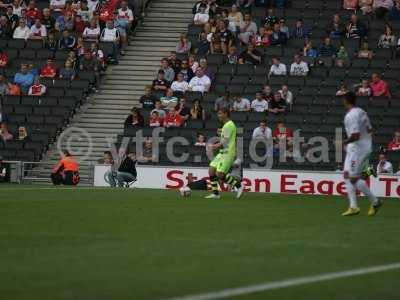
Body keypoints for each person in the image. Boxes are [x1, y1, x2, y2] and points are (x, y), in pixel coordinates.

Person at [341, 92, 381, 217]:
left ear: (346, 101)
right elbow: (370, 130)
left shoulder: (351, 115)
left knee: (353, 179)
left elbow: (355, 136)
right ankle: (353, 206)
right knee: (347, 174)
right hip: (358, 147)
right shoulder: (362, 111)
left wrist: (343, 142)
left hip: (358, 150)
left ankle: (375, 202)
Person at [206, 108, 243, 199]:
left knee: (220, 174)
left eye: (220, 113)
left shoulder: (228, 125)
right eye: (218, 114)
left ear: (226, 114)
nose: (219, 116)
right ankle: (215, 194)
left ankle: (238, 185)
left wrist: (213, 147)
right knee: (211, 170)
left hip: (228, 153)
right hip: (222, 152)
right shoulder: (226, 125)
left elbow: (224, 142)